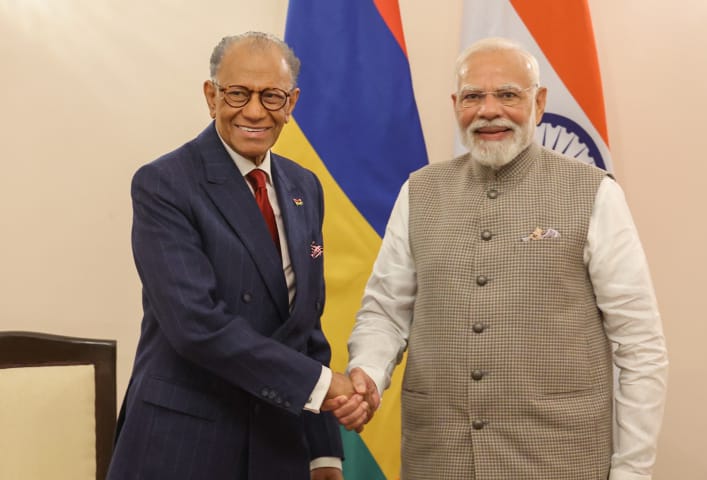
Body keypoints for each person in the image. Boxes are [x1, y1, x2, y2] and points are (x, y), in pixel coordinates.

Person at [334, 37, 669, 480]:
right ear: (456, 105)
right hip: (438, 459)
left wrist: (632, 471)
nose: (489, 110)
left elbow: (640, 346)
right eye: (473, 96)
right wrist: (368, 378)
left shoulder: (594, 193)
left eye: (508, 94)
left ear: (539, 102)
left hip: (559, 461)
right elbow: (385, 311)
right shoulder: (419, 191)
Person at [107, 32, 368, 480]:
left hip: (277, 445)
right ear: (211, 97)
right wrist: (322, 386)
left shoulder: (305, 187)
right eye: (237, 93)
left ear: (292, 103)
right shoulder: (164, 184)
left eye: (271, 96)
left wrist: (323, 451)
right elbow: (195, 326)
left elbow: (305, 325)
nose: (253, 111)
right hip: (185, 445)